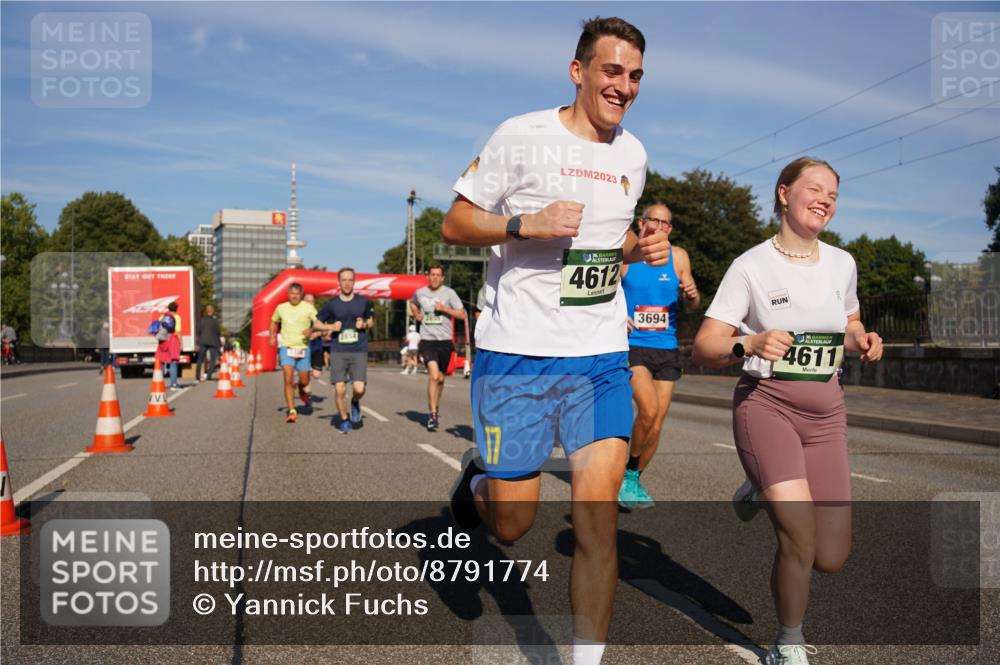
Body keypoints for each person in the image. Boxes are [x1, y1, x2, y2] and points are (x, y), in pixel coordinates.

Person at [441, 17, 668, 665]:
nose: (623, 86)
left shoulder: (634, 156)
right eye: (611, 71)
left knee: (597, 522)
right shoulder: (522, 135)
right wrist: (523, 222)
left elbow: (603, 248)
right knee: (512, 524)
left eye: (635, 76)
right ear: (579, 71)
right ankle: (476, 482)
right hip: (516, 355)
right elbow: (454, 222)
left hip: (597, 357)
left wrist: (637, 246)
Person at [693, 157, 883, 665]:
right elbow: (705, 345)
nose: (825, 199)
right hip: (767, 407)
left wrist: (860, 337)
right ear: (783, 193)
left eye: (833, 194)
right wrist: (748, 340)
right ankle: (789, 642)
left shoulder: (842, 262)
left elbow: (848, 320)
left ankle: (759, 485)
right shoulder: (751, 266)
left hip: (826, 414)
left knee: (832, 557)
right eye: (815, 189)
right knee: (798, 536)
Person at [617, 203, 700, 509]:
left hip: (666, 347)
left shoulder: (678, 257)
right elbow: (607, 292)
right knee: (648, 411)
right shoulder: (628, 255)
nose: (660, 227)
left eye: (666, 224)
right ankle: (624, 476)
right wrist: (616, 315)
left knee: (656, 423)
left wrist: (692, 296)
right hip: (633, 344)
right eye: (655, 221)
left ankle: (631, 477)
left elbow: (692, 303)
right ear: (642, 222)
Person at [313, 268, 375, 435]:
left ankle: (355, 402)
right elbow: (316, 324)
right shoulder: (332, 304)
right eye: (344, 280)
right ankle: (344, 419)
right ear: (339, 282)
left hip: (358, 349)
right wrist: (331, 326)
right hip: (338, 350)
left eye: (350, 280)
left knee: (359, 388)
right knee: (340, 388)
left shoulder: (363, 302)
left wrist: (365, 325)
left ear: (354, 282)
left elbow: (371, 321)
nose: (347, 283)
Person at [409, 266, 465, 431]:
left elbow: (462, 314)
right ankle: (433, 414)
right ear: (428, 276)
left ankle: (435, 406)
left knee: (440, 378)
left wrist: (445, 309)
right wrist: (416, 313)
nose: (434, 278)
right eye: (432, 275)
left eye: (438, 275)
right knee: (434, 376)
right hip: (427, 340)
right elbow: (412, 303)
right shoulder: (420, 292)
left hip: (445, 341)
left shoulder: (450, 293)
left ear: (442, 278)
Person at [269, 283, 318, 423]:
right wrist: (272, 336)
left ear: (301, 294)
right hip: (286, 347)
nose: (294, 296)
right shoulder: (281, 308)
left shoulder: (308, 307)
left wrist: (312, 330)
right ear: (288, 294)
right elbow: (273, 321)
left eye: (297, 293)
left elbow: (318, 321)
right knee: (287, 377)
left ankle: (301, 389)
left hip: (303, 348)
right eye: (292, 293)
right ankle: (292, 410)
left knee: (305, 380)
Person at [155, 302, 182, 389]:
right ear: (176, 309)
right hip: (172, 339)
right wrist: (181, 343)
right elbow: (178, 331)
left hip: (162, 340)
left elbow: (158, 329)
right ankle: (173, 384)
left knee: (161, 361)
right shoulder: (177, 317)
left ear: (168, 308)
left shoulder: (162, 317)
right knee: (173, 361)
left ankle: (160, 383)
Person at [196, 305, 222, 382]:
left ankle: (197, 376)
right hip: (213, 342)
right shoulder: (215, 321)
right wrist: (219, 344)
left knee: (200, 359)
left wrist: (199, 340)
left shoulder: (201, 320)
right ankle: (209, 376)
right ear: (212, 312)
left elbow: (199, 331)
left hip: (203, 341)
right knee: (212, 360)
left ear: (206, 311)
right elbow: (218, 333)